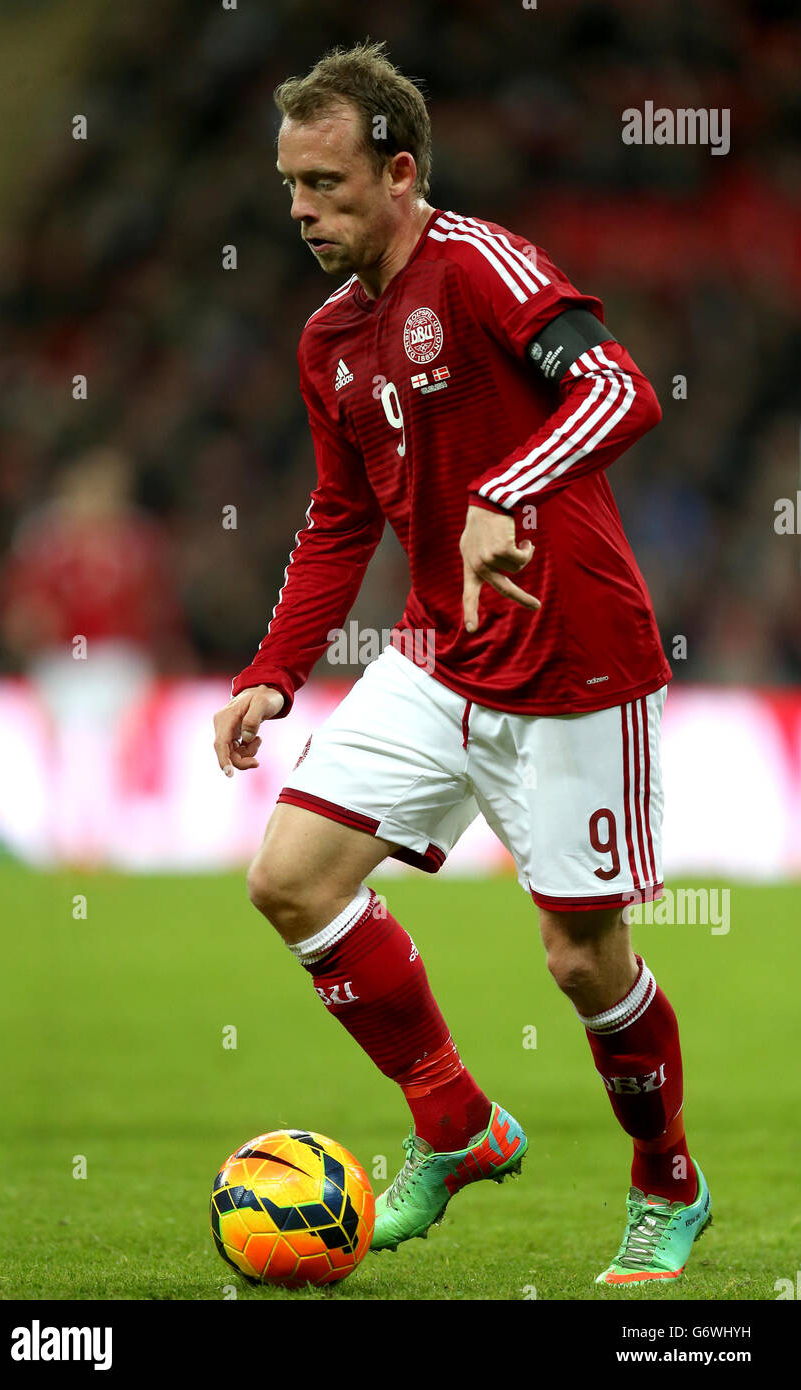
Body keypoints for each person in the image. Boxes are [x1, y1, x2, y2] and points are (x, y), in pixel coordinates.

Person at [212, 41, 711, 1286]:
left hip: (575, 664)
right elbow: (339, 520)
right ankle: (457, 1123)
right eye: (289, 185)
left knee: (581, 960)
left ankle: (669, 1184)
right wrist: (272, 671)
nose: (300, 210)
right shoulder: (330, 339)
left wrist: (508, 486)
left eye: (325, 183)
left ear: (400, 171)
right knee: (291, 878)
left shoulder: (479, 265)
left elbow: (622, 389)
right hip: (441, 654)